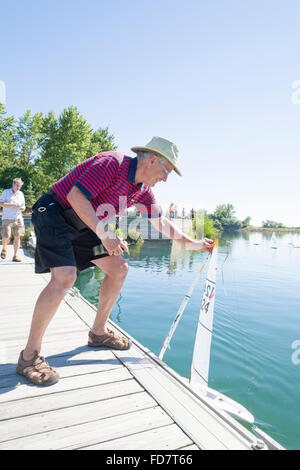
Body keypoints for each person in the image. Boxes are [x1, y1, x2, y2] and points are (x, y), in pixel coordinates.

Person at [16, 136, 214, 386]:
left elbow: (161, 223)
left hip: (83, 224)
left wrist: (192, 243)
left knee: (119, 269)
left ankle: (98, 333)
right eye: (166, 171)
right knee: (65, 276)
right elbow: (77, 197)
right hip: (54, 211)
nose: (165, 179)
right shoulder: (112, 163)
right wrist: (105, 233)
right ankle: (28, 357)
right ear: (153, 160)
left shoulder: (143, 191)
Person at [0, 178, 26, 262]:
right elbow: (1, 203)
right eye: (17, 185)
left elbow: (23, 206)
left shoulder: (21, 194)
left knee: (17, 237)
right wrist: (12, 205)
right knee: (6, 237)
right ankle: (4, 248)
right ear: (13, 184)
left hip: (18, 218)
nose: (18, 187)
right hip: (7, 218)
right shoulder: (6, 192)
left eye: (20, 186)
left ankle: (15, 256)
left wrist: (22, 208)